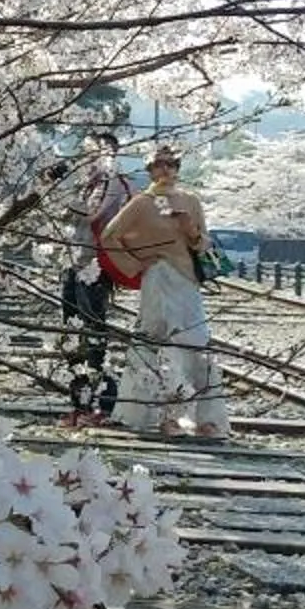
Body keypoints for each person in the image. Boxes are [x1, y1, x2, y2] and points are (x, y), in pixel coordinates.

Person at [100, 146, 229, 438]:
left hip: (187, 281)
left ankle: (205, 417)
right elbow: (109, 236)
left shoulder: (190, 201)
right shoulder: (141, 203)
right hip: (158, 278)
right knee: (157, 341)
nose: (166, 170)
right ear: (150, 170)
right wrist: (136, 263)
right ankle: (164, 415)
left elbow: (204, 244)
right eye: (159, 165)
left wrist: (190, 230)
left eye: (171, 164)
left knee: (196, 342)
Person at [59, 132, 136, 429]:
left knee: (94, 333)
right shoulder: (86, 182)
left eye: (97, 151)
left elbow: (93, 216)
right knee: (70, 333)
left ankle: (102, 404)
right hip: (73, 262)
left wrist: (64, 196)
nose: (90, 156)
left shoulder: (112, 182)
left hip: (94, 266)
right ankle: (79, 403)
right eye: (87, 151)